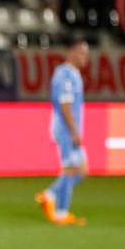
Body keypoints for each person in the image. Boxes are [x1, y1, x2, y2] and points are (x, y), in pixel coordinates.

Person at [35, 38, 89, 226]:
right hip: (66, 129)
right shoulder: (64, 74)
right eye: (82, 53)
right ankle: (61, 212)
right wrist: (74, 131)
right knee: (69, 169)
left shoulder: (73, 74)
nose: (85, 58)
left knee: (81, 170)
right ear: (72, 52)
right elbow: (65, 104)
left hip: (70, 129)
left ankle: (49, 194)